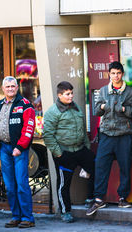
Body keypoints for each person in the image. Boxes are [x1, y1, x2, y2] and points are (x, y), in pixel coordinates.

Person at [86, 61, 132, 215]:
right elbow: (96, 110)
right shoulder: (103, 91)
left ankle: (123, 197)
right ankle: (99, 199)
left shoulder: (130, 92)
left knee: (125, 167)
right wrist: (103, 107)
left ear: (122, 74)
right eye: (113, 73)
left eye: (118, 73)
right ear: (109, 74)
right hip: (106, 134)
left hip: (124, 134)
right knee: (100, 165)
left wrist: (125, 109)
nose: (116, 76)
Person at [42, 81, 95, 223]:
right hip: (64, 153)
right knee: (64, 184)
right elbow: (47, 135)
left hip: (80, 149)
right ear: (59, 95)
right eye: (67, 94)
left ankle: (91, 198)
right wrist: (59, 153)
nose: (71, 96)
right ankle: (65, 211)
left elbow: (82, 129)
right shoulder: (53, 112)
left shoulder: (76, 107)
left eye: (71, 93)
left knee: (95, 166)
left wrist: (87, 146)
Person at [0, 76, 36, 228]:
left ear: (17, 88)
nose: (10, 89)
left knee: (22, 184)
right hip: (4, 148)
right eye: (7, 86)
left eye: (12, 86)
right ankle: (16, 216)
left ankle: (28, 218)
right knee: (9, 186)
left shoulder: (25, 105)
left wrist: (20, 147)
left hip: (19, 150)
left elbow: (29, 128)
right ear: (3, 89)